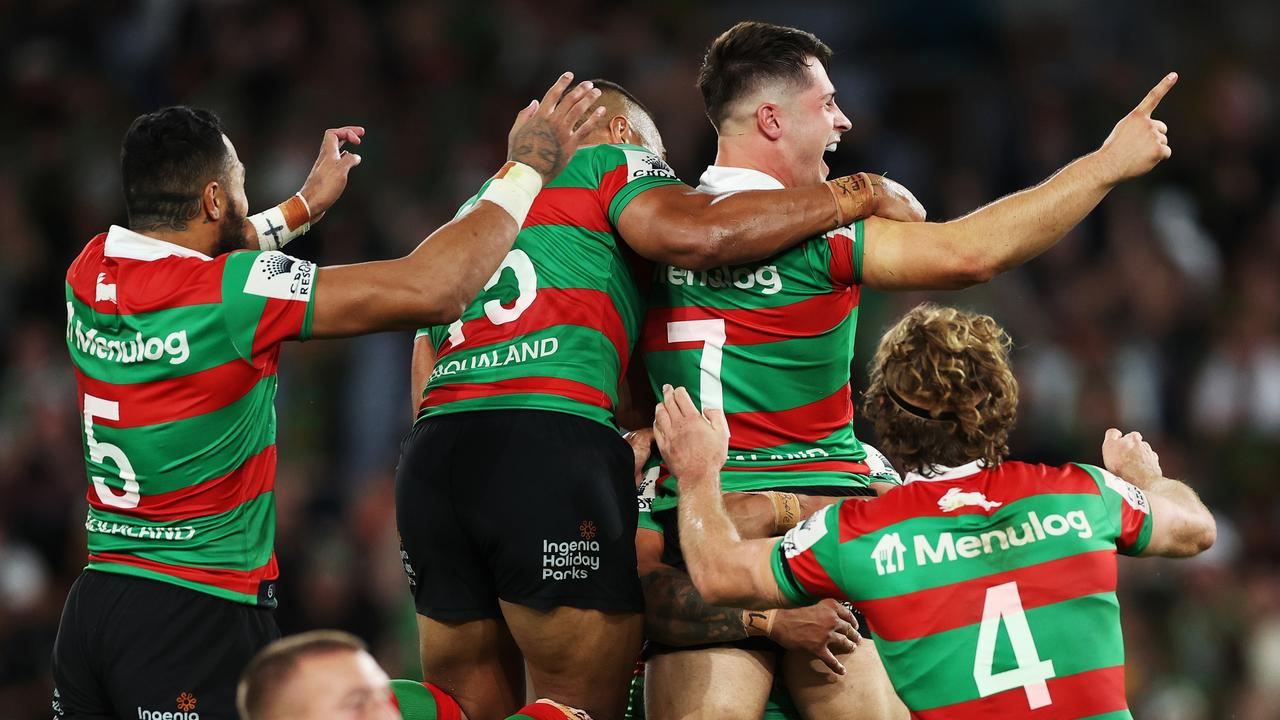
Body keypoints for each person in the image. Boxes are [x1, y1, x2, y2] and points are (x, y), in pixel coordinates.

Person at [634, 20, 1180, 719]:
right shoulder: (824, 235)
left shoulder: (652, 225)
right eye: (825, 103)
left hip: (701, 523)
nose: (844, 118)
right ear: (770, 118)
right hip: (828, 530)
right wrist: (1103, 165)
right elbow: (968, 254)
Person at [53, 73, 606, 720]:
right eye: (236, 191)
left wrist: (300, 209)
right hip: (194, 609)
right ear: (211, 200)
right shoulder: (235, 293)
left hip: (96, 607)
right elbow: (435, 288)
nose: (242, 203)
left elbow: (193, 255)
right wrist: (527, 166)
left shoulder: (90, 272)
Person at [399, 80, 923, 720]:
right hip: (545, 438)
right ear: (625, 138)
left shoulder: (473, 213)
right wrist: (859, 191)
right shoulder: (611, 161)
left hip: (432, 466)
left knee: (462, 706)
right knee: (575, 708)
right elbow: (696, 235)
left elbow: (425, 376)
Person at [653, 303, 1217, 719]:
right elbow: (1196, 529)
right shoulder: (1084, 493)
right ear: (1002, 401)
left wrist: (699, 473)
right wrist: (1148, 478)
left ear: (884, 415)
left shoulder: (857, 535)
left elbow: (716, 572)